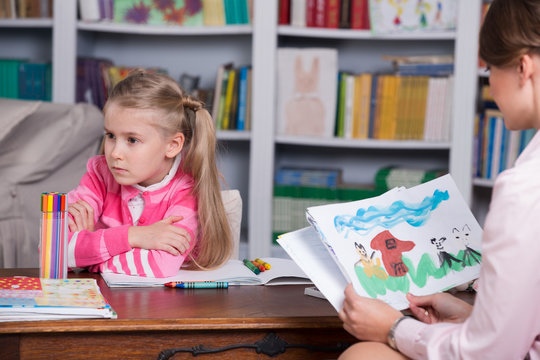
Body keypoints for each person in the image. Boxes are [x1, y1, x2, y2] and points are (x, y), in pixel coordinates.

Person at [338, 0, 540, 358]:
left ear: (523, 67)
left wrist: (394, 328)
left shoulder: (525, 189)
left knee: (363, 354)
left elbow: (489, 355)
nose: (491, 84)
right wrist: (473, 316)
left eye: (491, 68)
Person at [66, 69, 232, 278]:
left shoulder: (186, 193)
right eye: (110, 135)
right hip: (104, 304)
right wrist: (135, 236)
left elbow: (161, 266)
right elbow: (54, 251)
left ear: (172, 145)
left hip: (164, 307)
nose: (115, 153)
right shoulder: (99, 175)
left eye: (132, 140)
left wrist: (89, 256)